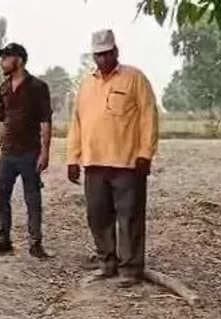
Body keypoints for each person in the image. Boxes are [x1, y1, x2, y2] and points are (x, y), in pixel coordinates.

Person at [66, 29, 158, 287]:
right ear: (93, 56)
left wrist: (145, 154)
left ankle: (131, 269)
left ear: (116, 52)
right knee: (98, 216)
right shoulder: (86, 84)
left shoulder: (134, 78)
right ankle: (107, 263)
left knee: (129, 217)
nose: (103, 60)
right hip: (94, 163)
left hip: (128, 163)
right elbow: (77, 123)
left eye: (107, 54)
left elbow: (149, 117)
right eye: (98, 55)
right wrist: (73, 158)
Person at [0, 42, 53, 259]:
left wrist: (45, 152)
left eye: (5, 58)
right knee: (1, 195)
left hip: (30, 152)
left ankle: (35, 243)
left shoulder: (38, 87)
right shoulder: (3, 89)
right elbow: (2, 122)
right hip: (8, 153)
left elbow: (45, 122)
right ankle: (4, 239)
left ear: (19, 60)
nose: (2, 62)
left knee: (32, 198)